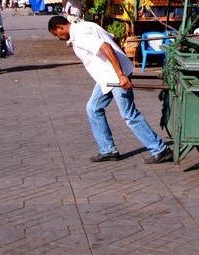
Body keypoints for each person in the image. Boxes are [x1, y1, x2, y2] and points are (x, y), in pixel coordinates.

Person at [47, 15, 173, 164]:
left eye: (57, 34)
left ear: (59, 28)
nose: (59, 38)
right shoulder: (86, 25)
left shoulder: (80, 34)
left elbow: (105, 47)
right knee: (93, 108)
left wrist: (120, 74)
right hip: (106, 78)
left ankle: (160, 150)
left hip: (115, 76)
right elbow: (111, 39)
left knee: (129, 115)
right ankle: (108, 150)